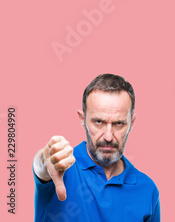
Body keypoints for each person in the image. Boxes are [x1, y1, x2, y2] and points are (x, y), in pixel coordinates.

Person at [33, 73, 160, 221]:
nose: (108, 136)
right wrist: (46, 157)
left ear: (132, 123)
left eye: (118, 123)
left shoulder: (147, 189)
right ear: (82, 119)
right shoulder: (60, 167)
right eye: (98, 122)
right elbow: (41, 166)